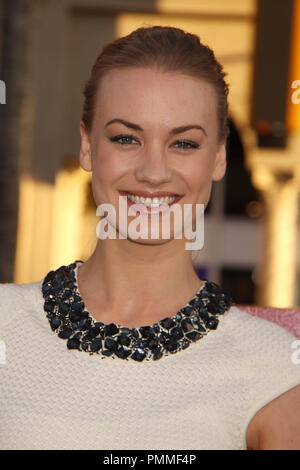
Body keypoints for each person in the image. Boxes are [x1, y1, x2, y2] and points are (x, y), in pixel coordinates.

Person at [0, 25, 299, 451]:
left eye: (184, 143)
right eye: (126, 138)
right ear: (86, 147)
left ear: (218, 157)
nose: (154, 172)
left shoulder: (271, 367)